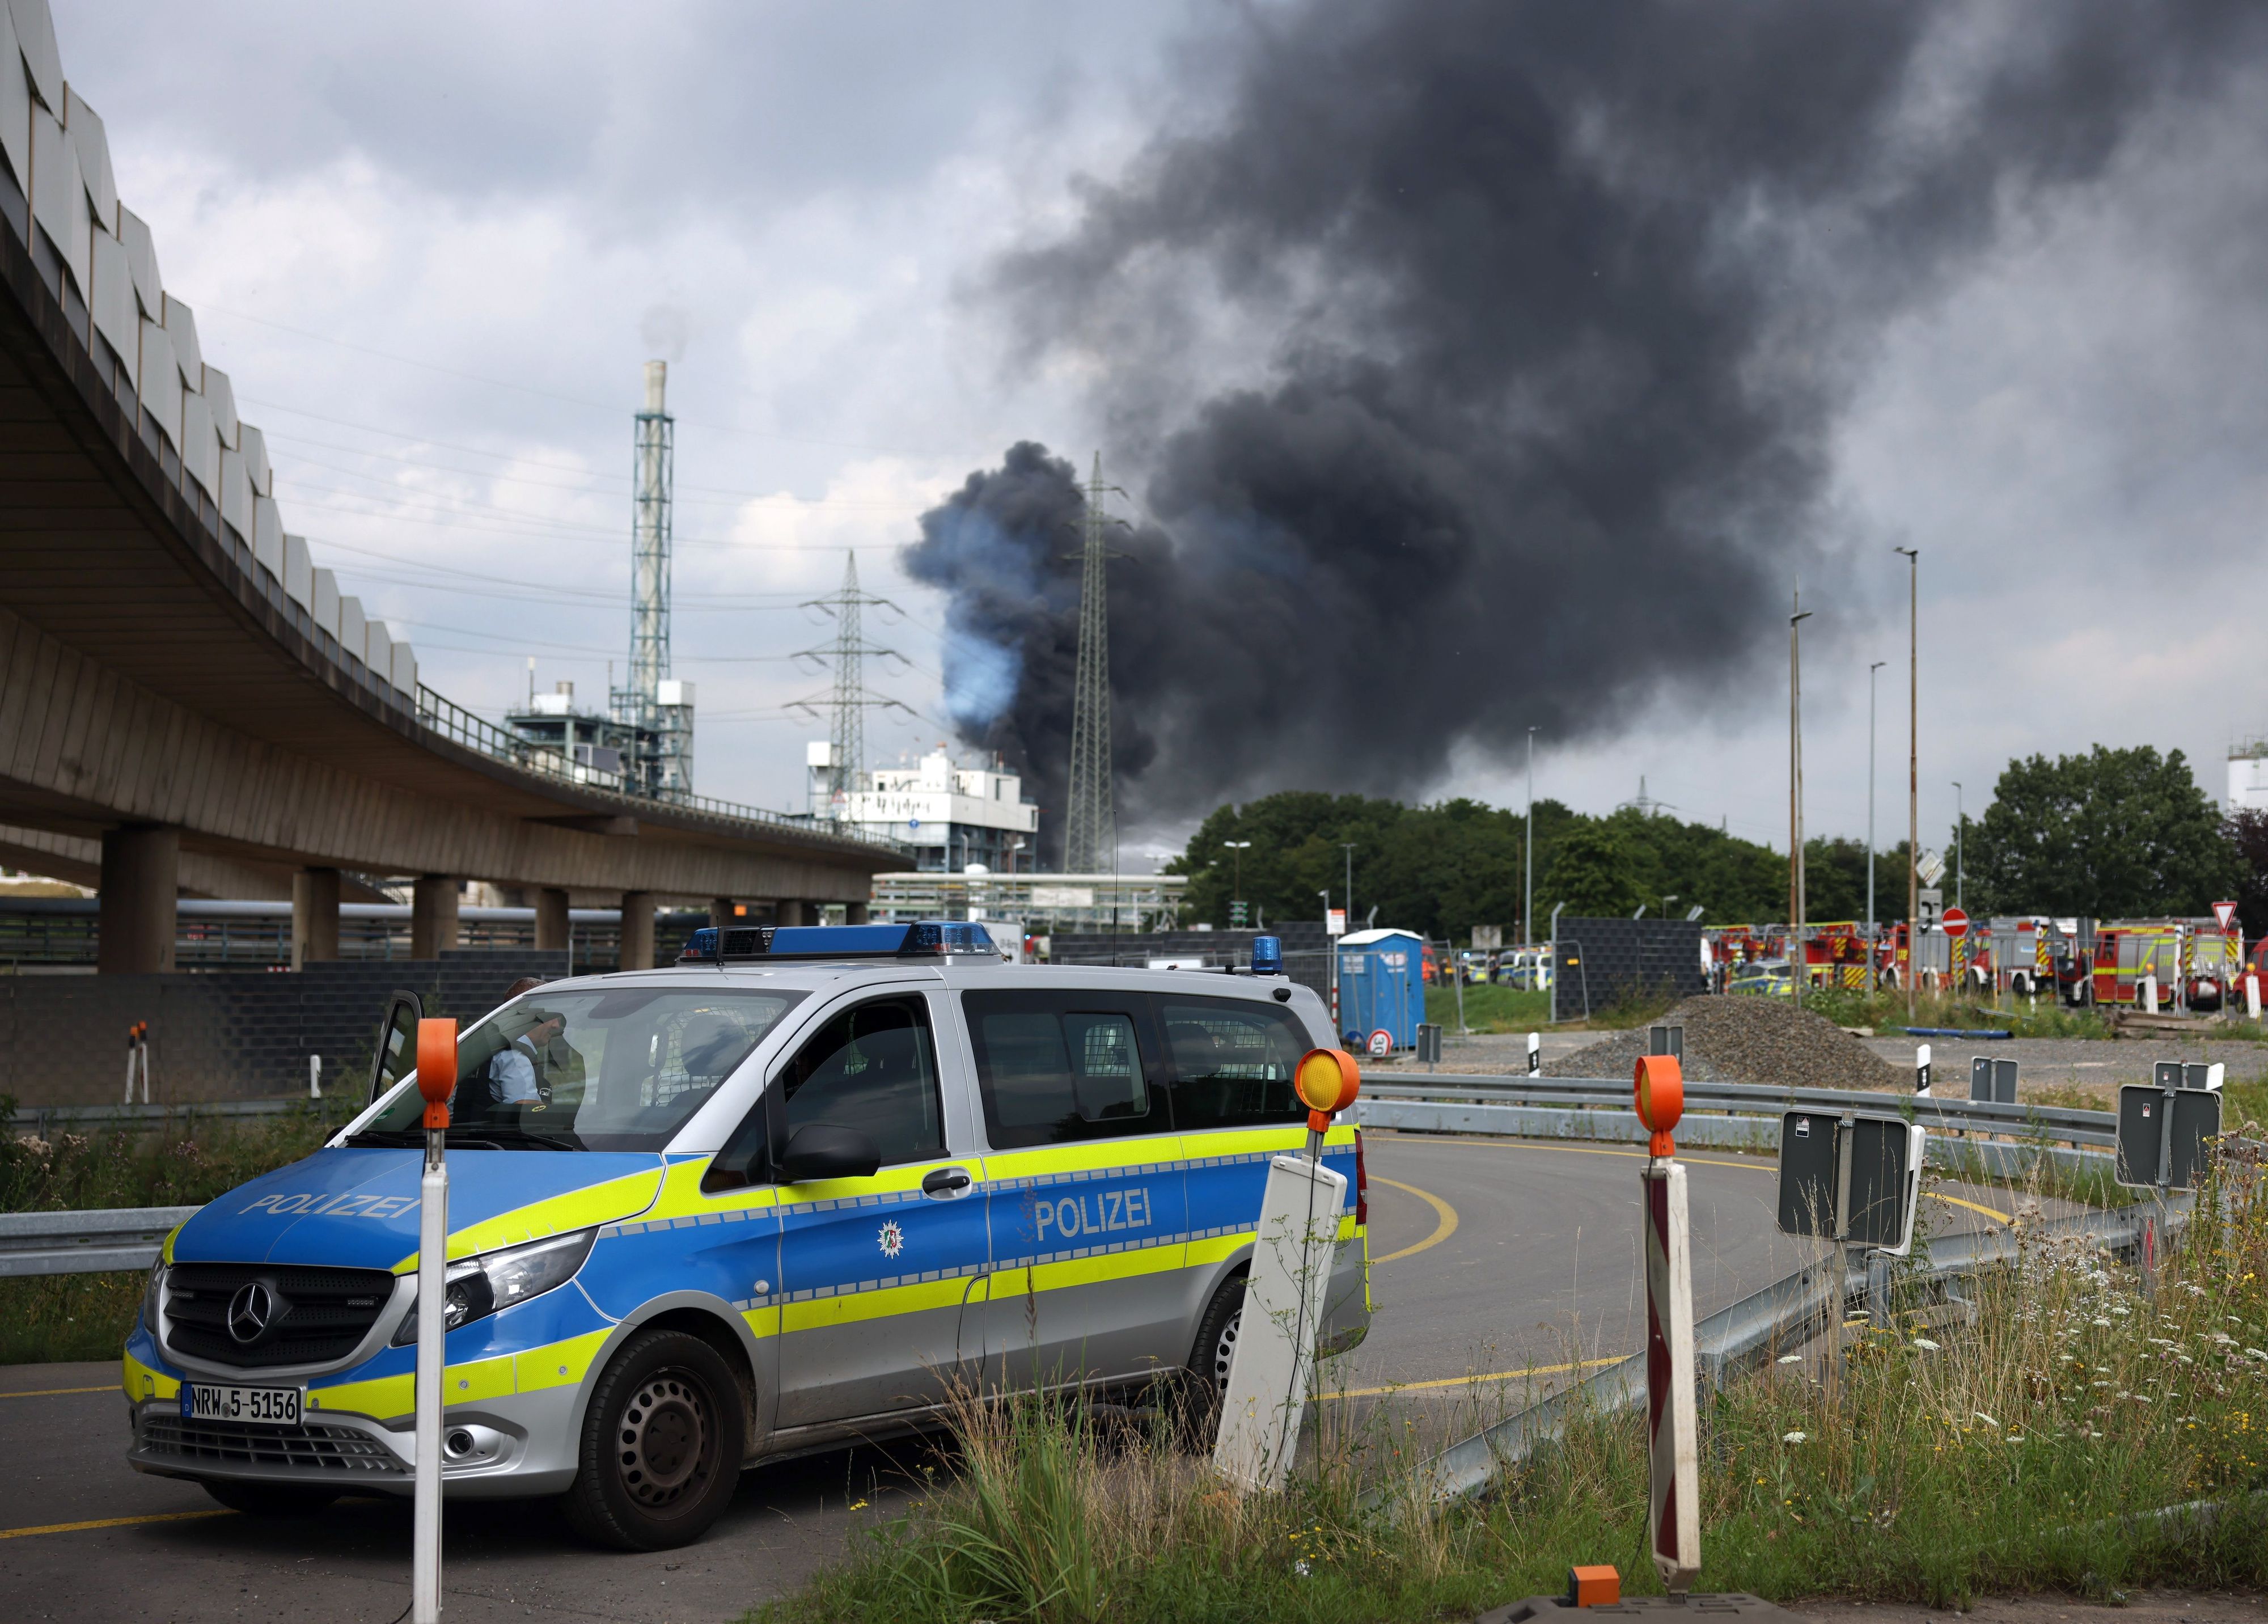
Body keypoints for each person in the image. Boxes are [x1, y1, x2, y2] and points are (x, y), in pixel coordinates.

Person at [485, 1009, 566, 1113]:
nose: (556, 1025)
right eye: (549, 1017)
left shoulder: (503, 1048)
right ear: (527, 1017)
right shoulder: (516, 1056)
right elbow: (526, 1110)